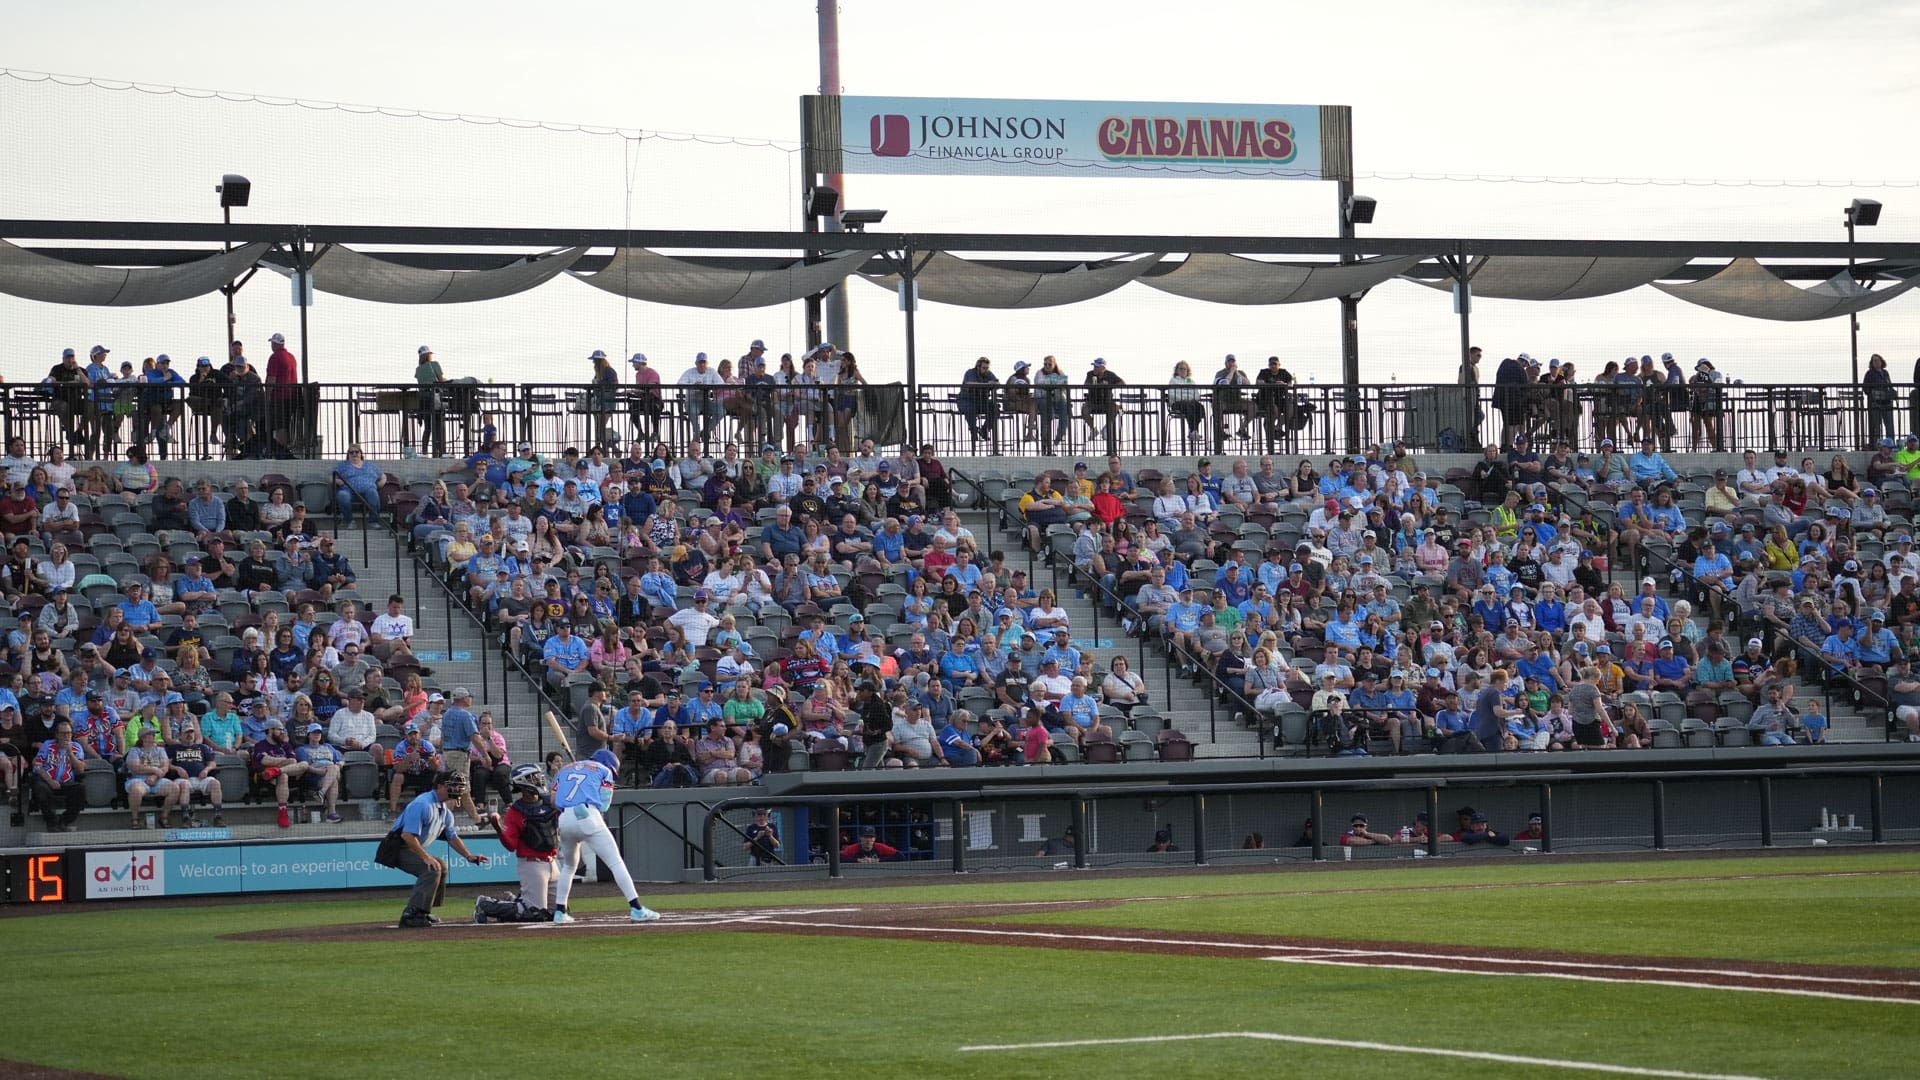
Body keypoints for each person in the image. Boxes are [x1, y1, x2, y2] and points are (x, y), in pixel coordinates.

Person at [549, 750, 661, 923]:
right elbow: (604, 804)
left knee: (569, 867)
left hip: (564, 818)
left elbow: (554, 800)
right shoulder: (604, 770)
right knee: (615, 862)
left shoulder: (564, 770)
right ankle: (637, 908)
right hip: (587, 814)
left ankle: (560, 911)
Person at [387, 769, 490, 928]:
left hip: (411, 846)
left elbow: (452, 837)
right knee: (432, 868)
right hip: (396, 847)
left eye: (459, 787)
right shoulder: (423, 804)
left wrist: (469, 856)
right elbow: (407, 835)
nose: (458, 790)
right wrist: (425, 857)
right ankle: (411, 913)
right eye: (454, 786)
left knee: (440, 864)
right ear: (440, 786)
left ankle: (424, 911)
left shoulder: (444, 811)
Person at [480, 764, 562, 919]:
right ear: (523, 782)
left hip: (552, 862)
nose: (538, 779)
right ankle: (486, 905)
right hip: (532, 863)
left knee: (558, 913)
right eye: (534, 777)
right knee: (535, 914)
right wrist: (498, 828)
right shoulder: (515, 812)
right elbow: (511, 845)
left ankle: (516, 901)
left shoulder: (549, 801)